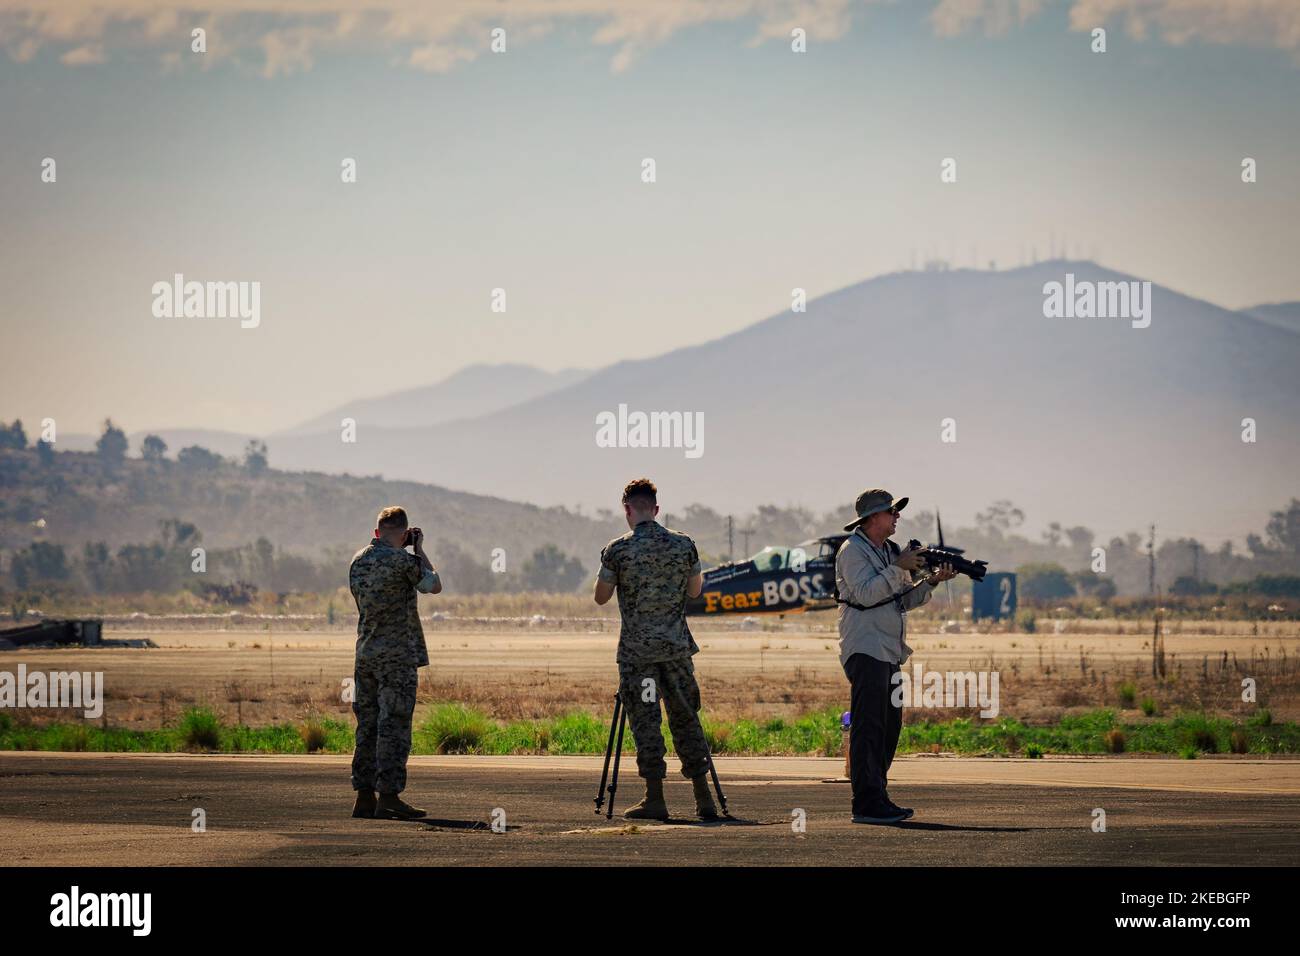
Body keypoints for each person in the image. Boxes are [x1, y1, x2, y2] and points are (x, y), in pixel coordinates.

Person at [594, 477, 718, 821]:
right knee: (685, 718)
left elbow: (601, 597)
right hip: (676, 650)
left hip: (638, 656)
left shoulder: (617, 549)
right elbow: (695, 591)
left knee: (646, 723)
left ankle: (655, 798)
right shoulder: (684, 545)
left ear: (628, 510)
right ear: (657, 509)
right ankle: (703, 798)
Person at [836, 488, 955, 824]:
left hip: (888, 649)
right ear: (873, 518)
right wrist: (898, 567)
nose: (897, 516)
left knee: (889, 727)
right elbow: (866, 594)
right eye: (891, 512)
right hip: (865, 647)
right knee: (869, 727)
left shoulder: (888, 550)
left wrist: (930, 581)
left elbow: (901, 600)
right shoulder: (852, 552)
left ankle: (878, 797)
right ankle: (866, 804)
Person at [348, 506, 441, 820]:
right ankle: (388, 795)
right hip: (397, 657)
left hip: (365, 654)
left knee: (368, 725)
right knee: (394, 726)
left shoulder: (357, 561)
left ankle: (363, 796)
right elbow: (433, 584)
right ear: (403, 534)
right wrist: (419, 549)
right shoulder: (404, 560)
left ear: (376, 533)